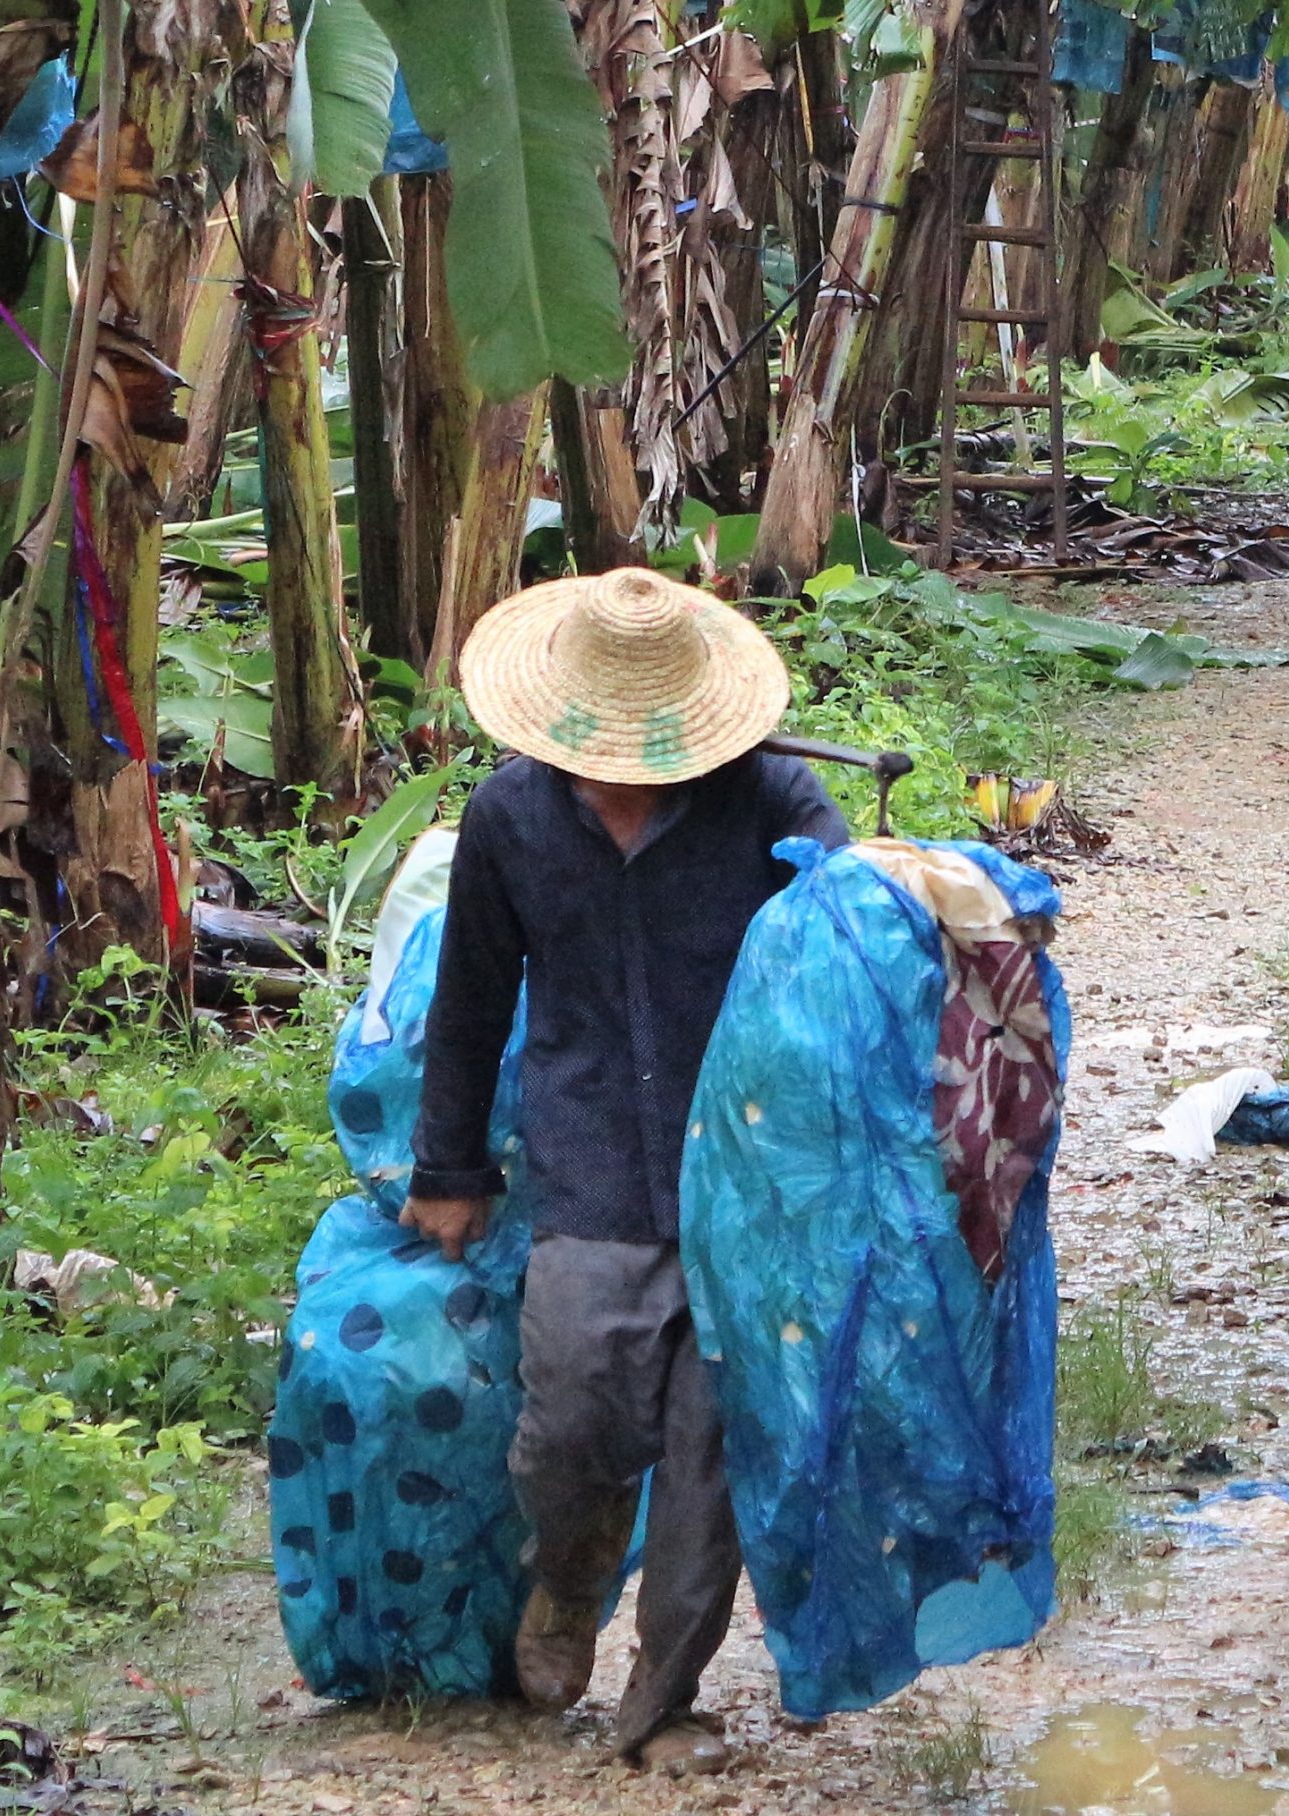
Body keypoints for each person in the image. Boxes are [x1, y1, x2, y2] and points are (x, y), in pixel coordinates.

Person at [402, 568, 850, 1777]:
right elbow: (471, 998)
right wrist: (450, 1165)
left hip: (751, 1171)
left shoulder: (775, 799)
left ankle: (662, 1703)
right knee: (573, 1414)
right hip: (591, 1154)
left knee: (714, 1450)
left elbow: (852, 952)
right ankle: (570, 1572)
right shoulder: (511, 818)